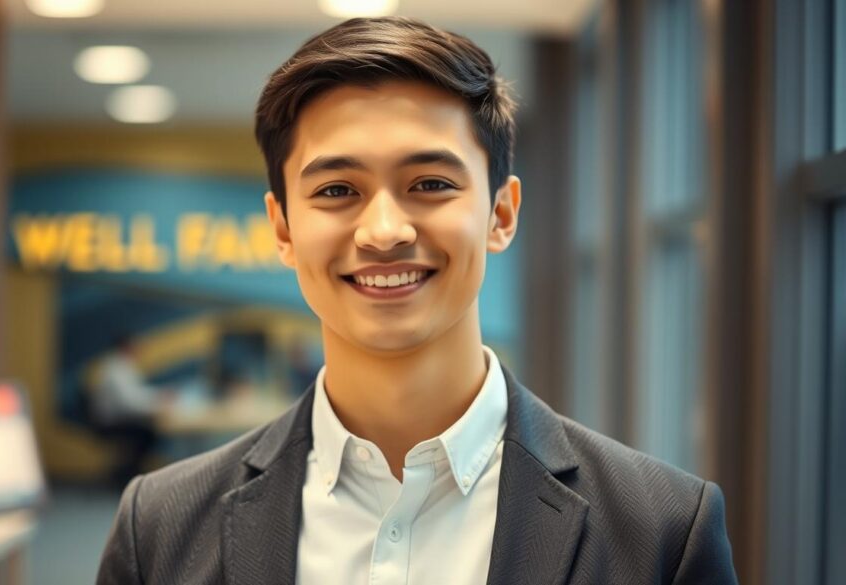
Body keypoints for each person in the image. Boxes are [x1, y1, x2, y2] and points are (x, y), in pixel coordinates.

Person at [97, 17, 737, 584]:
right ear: (284, 228)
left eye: (429, 183)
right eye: (336, 190)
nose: (384, 231)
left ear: (501, 213)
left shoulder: (660, 532)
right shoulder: (158, 527)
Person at [90, 335, 170, 485]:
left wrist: (159, 397)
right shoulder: (115, 370)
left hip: (119, 419)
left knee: (148, 433)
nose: (140, 350)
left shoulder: (123, 367)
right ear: (126, 348)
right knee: (148, 435)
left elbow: (137, 394)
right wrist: (158, 403)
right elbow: (129, 404)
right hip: (112, 422)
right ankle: (127, 475)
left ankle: (127, 472)